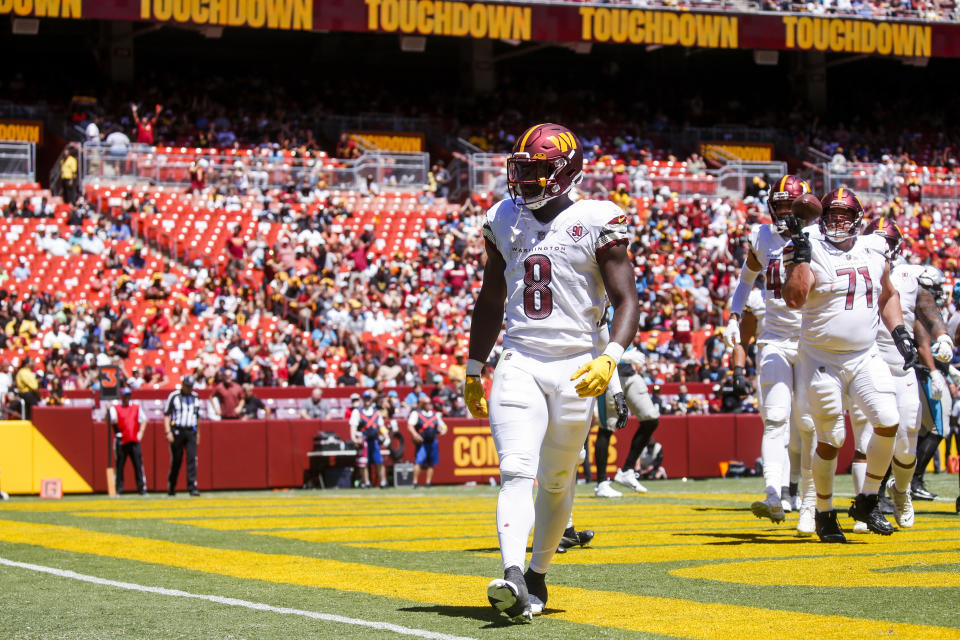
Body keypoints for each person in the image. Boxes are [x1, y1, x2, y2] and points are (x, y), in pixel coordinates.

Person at [463, 123, 638, 622]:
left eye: (538, 170)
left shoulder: (596, 218)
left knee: (558, 478)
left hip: (576, 365)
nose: (526, 180)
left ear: (564, 172)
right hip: (519, 358)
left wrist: (611, 357)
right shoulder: (502, 217)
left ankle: (537, 574)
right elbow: (492, 296)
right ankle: (513, 574)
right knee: (517, 468)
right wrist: (475, 367)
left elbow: (626, 299)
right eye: (523, 169)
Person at [782, 188, 921, 543]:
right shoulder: (809, 243)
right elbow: (795, 299)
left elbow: (887, 293)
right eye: (831, 214)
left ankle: (867, 499)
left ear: (858, 220)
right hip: (821, 357)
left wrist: (901, 330)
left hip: (864, 354)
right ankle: (825, 513)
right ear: (821, 217)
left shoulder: (874, 248)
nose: (837, 221)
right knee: (832, 438)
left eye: (844, 215)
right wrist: (799, 259)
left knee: (889, 421)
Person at [724, 175, 821, 532]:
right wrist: (734, 318)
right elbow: (745, 282)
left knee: (808, 424)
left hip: (812, 339)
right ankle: (773, 496)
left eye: (789, 205)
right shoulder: (763, 236)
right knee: (776, 418)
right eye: (778, 205)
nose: (783, 212)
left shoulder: (820, 238)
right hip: (775, 339)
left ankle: (809, 503)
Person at [847, 226, 954, 531]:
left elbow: (923, 307)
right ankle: (865, 505)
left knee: (906, 440)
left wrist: (942, 335)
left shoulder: (908, 275)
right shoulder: (851, 267)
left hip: (901, 367)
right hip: (865, 363)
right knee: (866, 439)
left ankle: (902, 490)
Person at [595, 310, 659, 497]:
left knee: (651, 419)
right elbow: (594, 341)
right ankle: (601, 483)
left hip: (629, 373)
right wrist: (621, 356)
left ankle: (627, 470)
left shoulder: (621, 300)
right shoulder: (599, 302)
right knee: (606, 428)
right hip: (609, 372)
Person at [164, 375, 201, 496]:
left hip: (191, 431)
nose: (189, 389)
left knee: (192, 459)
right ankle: (172, 486)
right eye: (187, 386)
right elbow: (166, 415)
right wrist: (168, 431)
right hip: (177, 431)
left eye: (191, 386)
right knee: (177, 459)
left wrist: (198, 433)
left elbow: (197, 416)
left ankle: (192, 487)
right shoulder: (174, 396)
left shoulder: (195, 397)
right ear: (183, 385)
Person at [108, 387, 148, 495]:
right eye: (125, 395)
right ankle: (119, 489)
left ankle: (142, 488)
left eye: (128, 395)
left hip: (134, 440)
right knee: (120, 465)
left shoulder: (136, 407)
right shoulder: (115, 408)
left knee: (138, 465)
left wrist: (141, 432)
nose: (127, 397)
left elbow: (144, 419)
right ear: (122, 396)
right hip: (121, 440)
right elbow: (110, 420)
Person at [349, 390, 388, 488]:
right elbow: (353, 426)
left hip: (374, 439)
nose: (367, 401)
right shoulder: (357, 412)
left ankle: (383, 482)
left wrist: (386, 436)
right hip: (364, 440)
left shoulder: (376, 412)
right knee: (363, 462)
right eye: (365, 398)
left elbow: (381, 426)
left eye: (368, 398)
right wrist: (354, 438)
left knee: (379, 461)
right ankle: (366, 482)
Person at [408, 394, 448, 488]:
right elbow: (410, 425)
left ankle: (428, 482)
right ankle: (415, 482)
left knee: (431, 462)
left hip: (432, 441)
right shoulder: (417, 413)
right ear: (422, 404)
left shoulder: (435, 415)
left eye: (430, 403)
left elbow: (444, 426)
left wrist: (443, 431)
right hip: (422, 441)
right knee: (418, 461)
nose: (429, 405)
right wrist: (415, 434)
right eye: (426, 403)